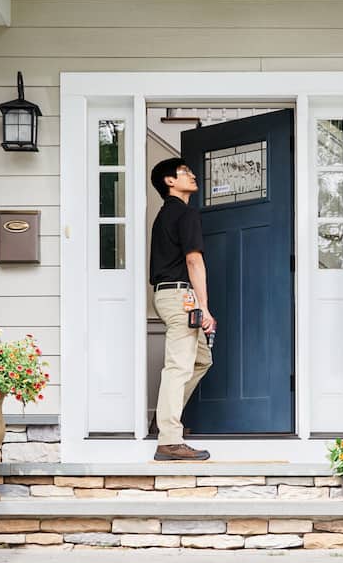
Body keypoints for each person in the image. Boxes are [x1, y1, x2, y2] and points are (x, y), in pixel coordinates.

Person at [149, 157, 216, 461]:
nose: (192, 175)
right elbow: (193, 260)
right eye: (185, 172)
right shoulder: (184, 214)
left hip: (168, 296)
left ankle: (164, 417)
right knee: (179, 366)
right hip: (180, 297)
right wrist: (204, 307)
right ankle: (169, 439)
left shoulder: (165, 215)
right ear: (169, 182)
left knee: (201, 359)